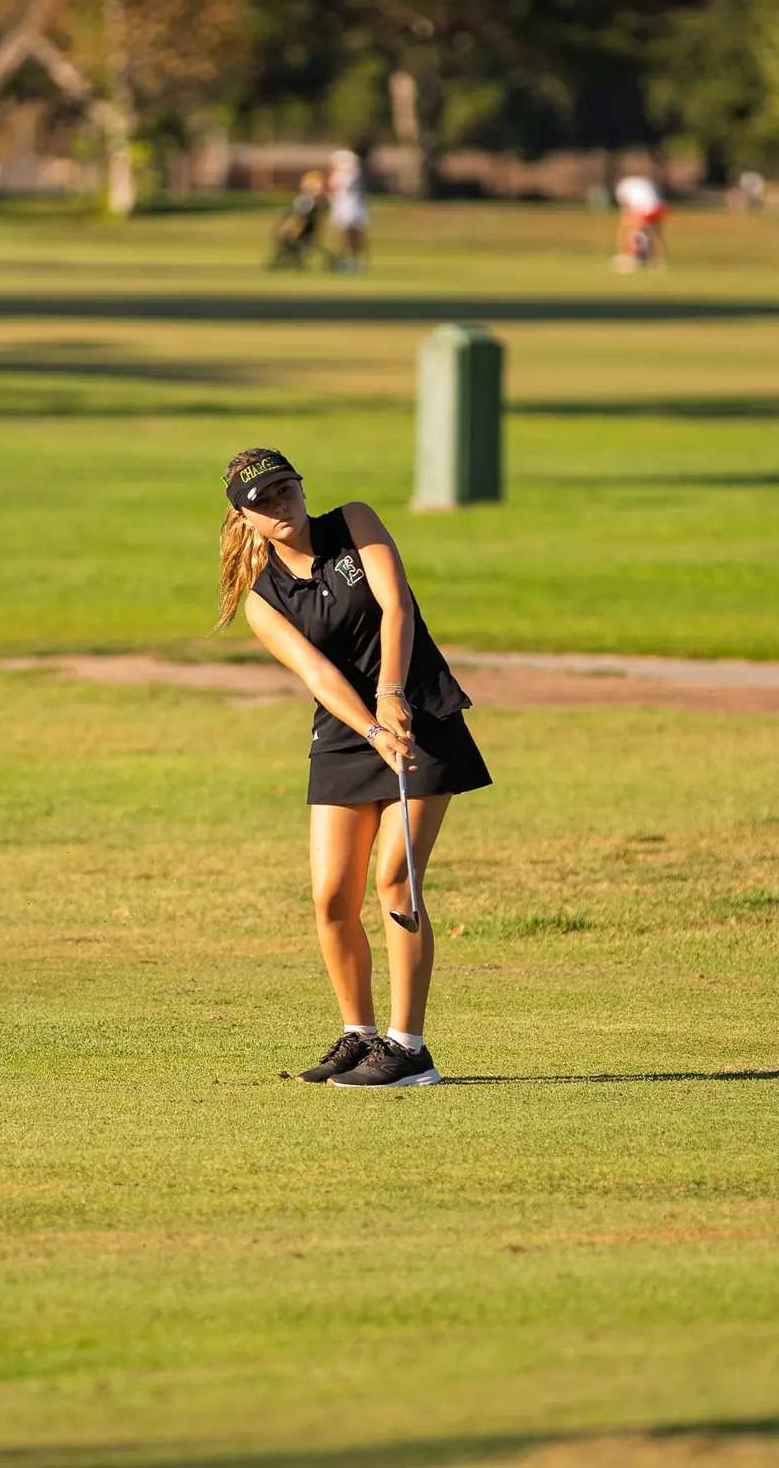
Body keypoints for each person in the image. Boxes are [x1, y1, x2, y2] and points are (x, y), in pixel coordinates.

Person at [214, 447, 491, 1087]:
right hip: (345, 734)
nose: (278, 506)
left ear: (301, 488)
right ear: (243, 519)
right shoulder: (264, 601)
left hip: (419, 716)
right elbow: (318, 674)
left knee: (397, 879)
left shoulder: (355, 523)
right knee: (331, 896)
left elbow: (398, 606)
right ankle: (359, 1035)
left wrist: (391, 696)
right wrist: (368, 726)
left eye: (284, 490)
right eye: (261, 502)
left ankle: (409, 1047)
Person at [267, 170, 325, 269]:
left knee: (286, 240)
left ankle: (287, 261)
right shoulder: (304, 199)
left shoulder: (309, 201)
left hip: (303, 231)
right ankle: (289, 260)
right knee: (284, 239)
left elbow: (302, 219)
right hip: (301, 230)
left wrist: (294, 231)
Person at [613, 172, 667, 271]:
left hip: (642, 209)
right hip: (659, 208)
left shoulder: (622, 186)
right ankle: (655, 259)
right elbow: (658, 197)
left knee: (628, 231)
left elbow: (625, 206)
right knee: (653, 233)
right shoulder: (646, 182)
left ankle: (630, 258)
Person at [326, 149, 369, 271]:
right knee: (342, 234)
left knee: (353, 233)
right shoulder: (338, 174)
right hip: (341, 206)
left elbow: (349, 189)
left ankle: (355, 259)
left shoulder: (351, 174)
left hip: (351, 207)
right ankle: (344, 258)